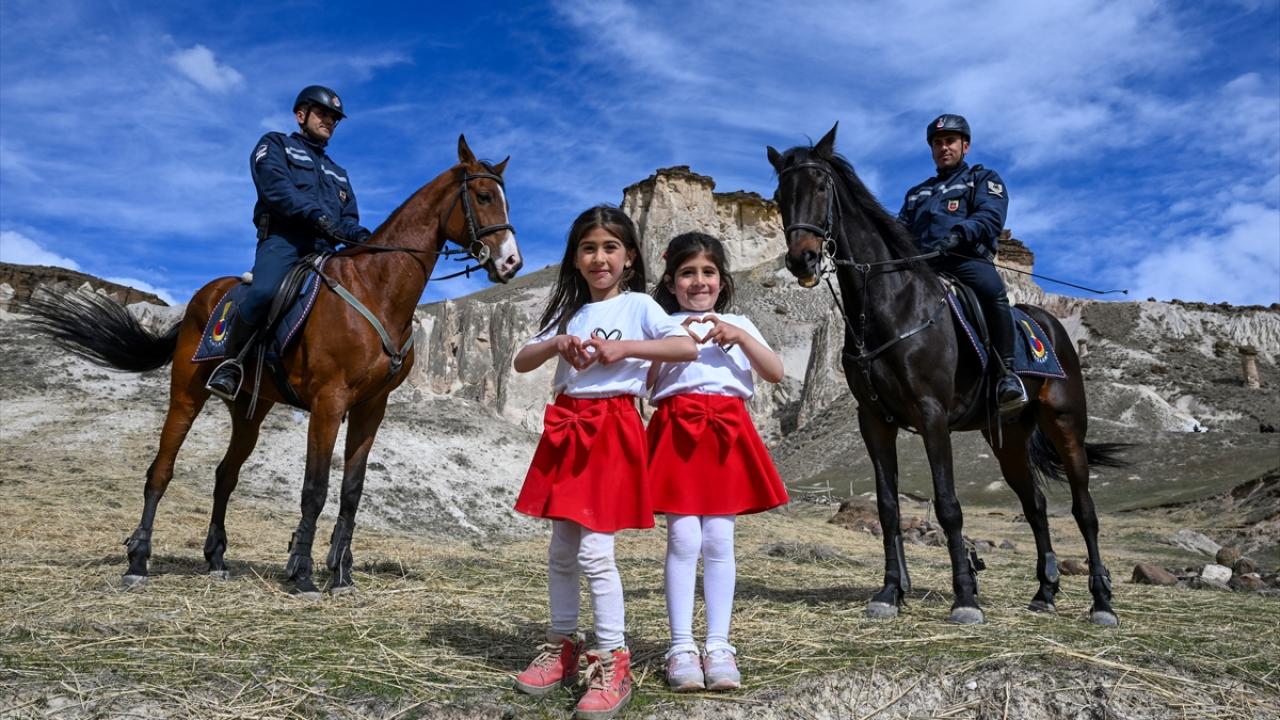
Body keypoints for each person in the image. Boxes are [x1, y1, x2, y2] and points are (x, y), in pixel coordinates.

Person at [510, 206, 698, 719]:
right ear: (575, 259)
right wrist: (557, 342)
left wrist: (626, 352)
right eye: (589, 248)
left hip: (612, 426)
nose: (599, 258)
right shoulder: (569, 313)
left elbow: (685, 346)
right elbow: (522, 359)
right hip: (568, 427)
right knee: (561, 548)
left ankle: (612, 658)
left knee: (596, 551)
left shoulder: (637, 305)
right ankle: (561, 645)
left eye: (610, 248)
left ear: (629, 258)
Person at [646, 232, 789, 692]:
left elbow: (774, 371)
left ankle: (720, 645)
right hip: (677, 428)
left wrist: (741, 336)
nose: (698, 281)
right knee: (684, 537)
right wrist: (673, 342)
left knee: (720, 538)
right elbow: (645, 381)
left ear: (722, 280)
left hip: (726, 430)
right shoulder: (660, 323)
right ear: (671, 281)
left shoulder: (739, 321)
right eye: (687, 273)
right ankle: (681, 647)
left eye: (708, 272)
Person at [206, 84, 373, 401]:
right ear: (301, 115)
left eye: (334, 118)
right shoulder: (275, 145)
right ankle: (231, 363)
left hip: (325, 249)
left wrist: (360, 236)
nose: (329, 121)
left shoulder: (339, 172)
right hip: (284, 241)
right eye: (322, 114)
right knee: (264, 291)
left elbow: (348, 217)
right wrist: (314, 216)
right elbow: (276, 189)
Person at [897, 113, 1027, 413]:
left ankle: (1007, 375)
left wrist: (960, 233)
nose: (944, 147)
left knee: (992, 291)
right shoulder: (916, 193)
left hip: (964, 260)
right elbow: (899, 229)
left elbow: (990, 215)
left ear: (964, 146)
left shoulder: (982, 179)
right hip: (925, 267)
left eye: (950, 141)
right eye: (938, 143)